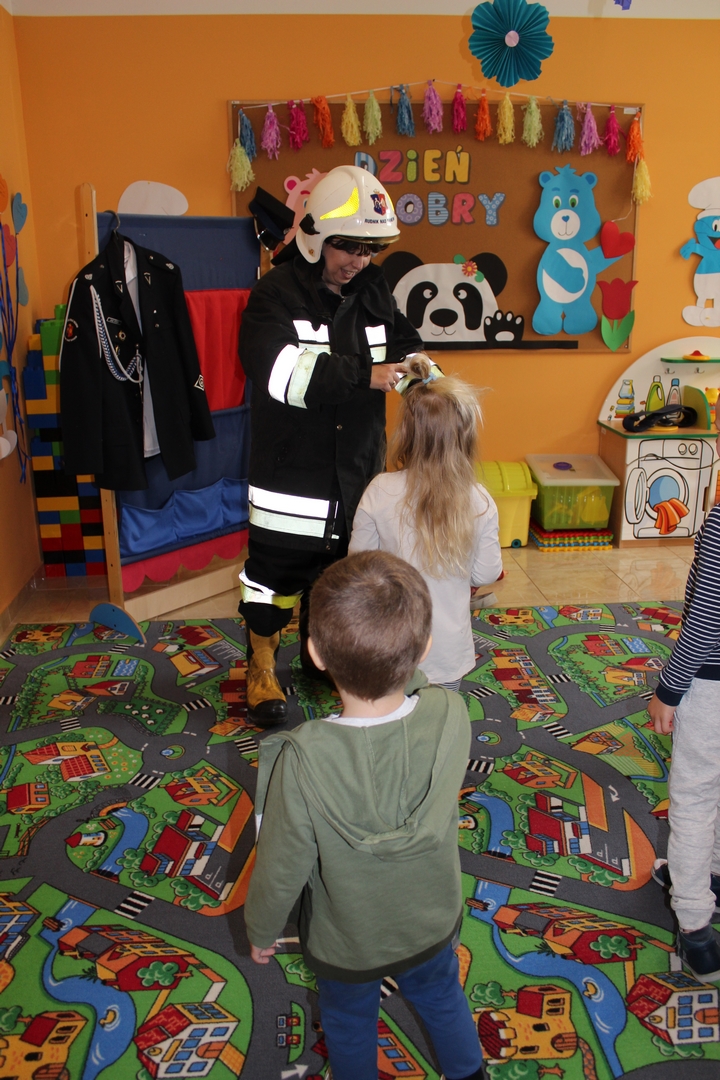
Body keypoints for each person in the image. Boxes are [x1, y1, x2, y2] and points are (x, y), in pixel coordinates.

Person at [244, 550, 485, 1080]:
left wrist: (261, 927)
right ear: (425, 649)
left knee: (349, 1024)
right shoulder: (451, 713)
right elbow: (423, 691)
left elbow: (282, 862)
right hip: (430, 919)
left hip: (347, 940)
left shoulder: (302, 758)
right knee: (443, 999)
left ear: (315, 653)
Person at [238, 165, 423, 726]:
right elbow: (278, 372)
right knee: (274, 579)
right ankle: (261, 665)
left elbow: (402, 343)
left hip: (357, 470)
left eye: (370, 249)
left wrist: (420, 370)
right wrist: (367, 374)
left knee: (342, 575)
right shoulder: (273, 294)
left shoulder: (374, 289)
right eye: (349, 247)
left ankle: (321, 654)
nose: (359, 261)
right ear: (315, 235)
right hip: (293, 477)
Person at [349, 354, 502, 690]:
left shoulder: (379, 489)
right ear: (465, 437)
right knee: (443, 715)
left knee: (392, 713)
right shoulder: (480, 501)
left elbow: (358, 565)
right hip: (448, 652)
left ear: (406, 433)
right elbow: (486, 574)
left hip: (389, 646)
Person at [647, 409, 720, 980]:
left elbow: (704, 621)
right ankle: (709, 872)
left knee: (694, 795)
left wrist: (669, 691)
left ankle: (695, 923)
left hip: (712, 687)